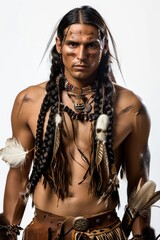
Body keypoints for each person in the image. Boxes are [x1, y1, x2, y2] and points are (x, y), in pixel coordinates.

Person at [0, 5, 159, 240]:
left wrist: (139, 237)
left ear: (103, 47)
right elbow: (19, 174)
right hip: (45, 233)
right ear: (59, 45)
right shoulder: (29, 101)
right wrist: (8, 233)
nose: (81, 55)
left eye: (91, 45)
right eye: (73, 44)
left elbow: (139, 183)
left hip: (105, 233)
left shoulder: (130, 107)